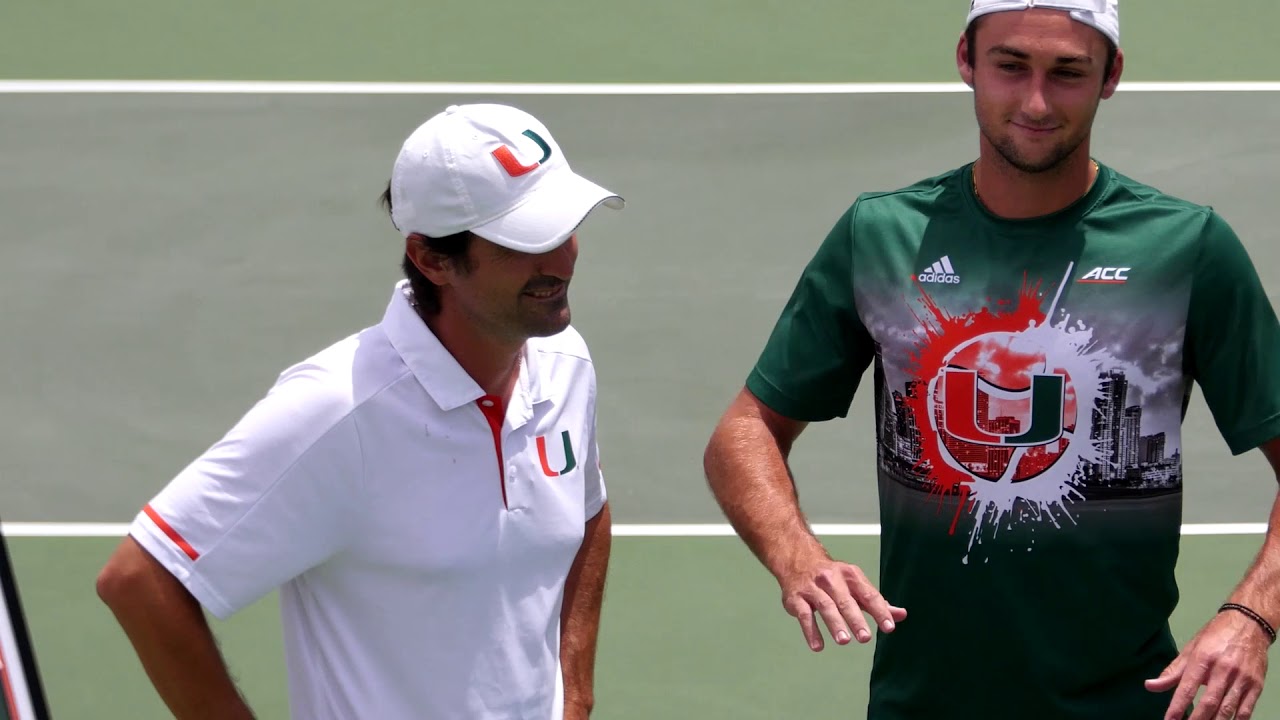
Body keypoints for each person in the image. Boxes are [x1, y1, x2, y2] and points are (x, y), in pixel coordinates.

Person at [702, 1, 1280, 718]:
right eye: (1011, 66)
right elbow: (745, 429)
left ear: (1112, 76)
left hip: (1128, 705)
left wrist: (1251, 618)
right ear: (967, 61)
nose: (1036, 101)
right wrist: (798, 559)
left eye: (1068, 72)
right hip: (922, 703)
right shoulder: (882, 235)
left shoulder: (1186, 249)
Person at [95, 103, 623, 719]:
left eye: (563, 229)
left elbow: (587, 510)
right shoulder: (336, 412)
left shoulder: (565, 363)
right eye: (525, 242)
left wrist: (575, 692)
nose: (559, 262)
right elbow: (139, 579)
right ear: (432, 259)